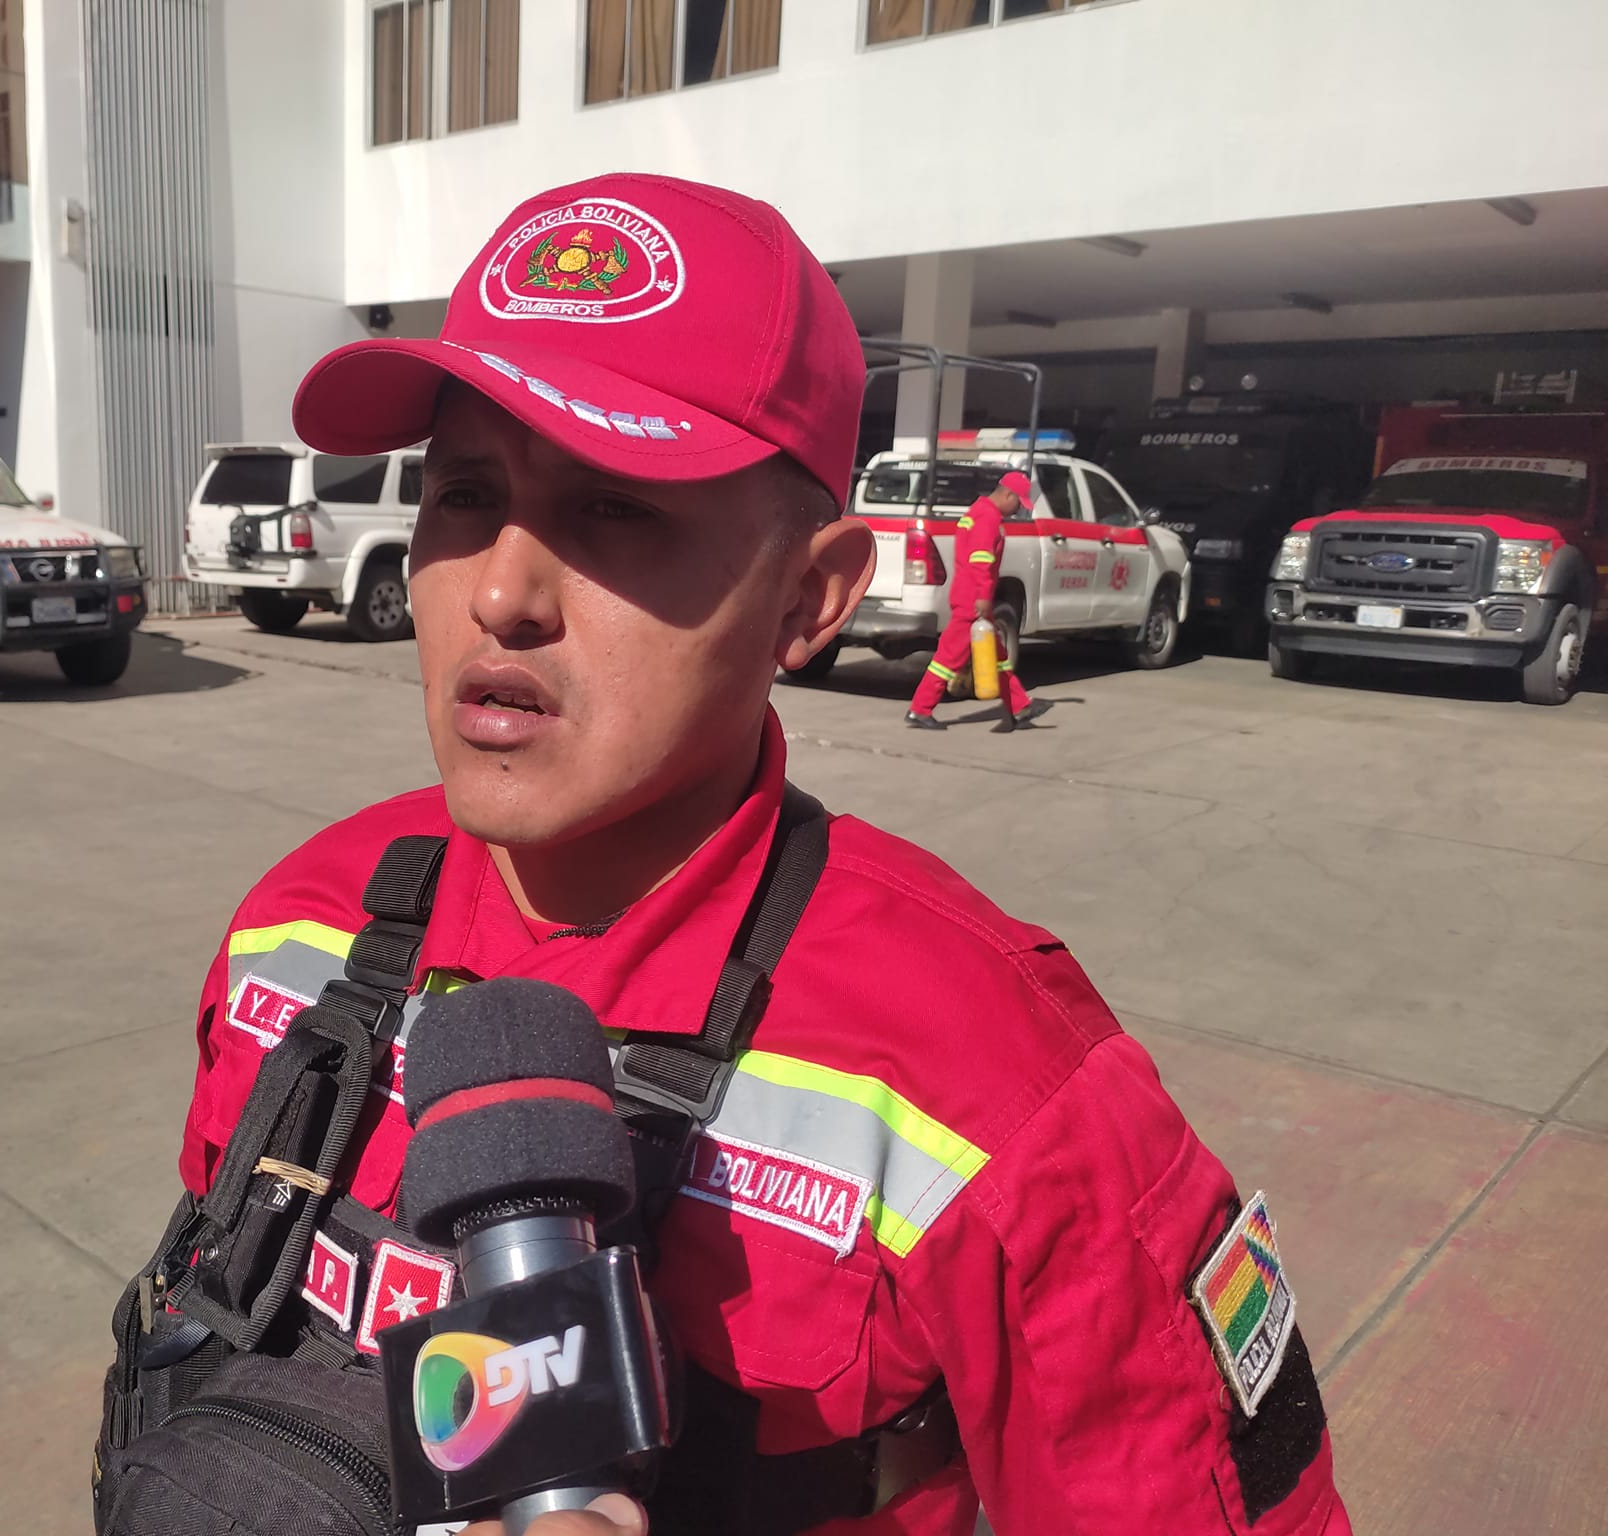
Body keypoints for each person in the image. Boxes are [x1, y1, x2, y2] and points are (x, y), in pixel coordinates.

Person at [168, 173, 1350, 1534]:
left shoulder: (1001, 1088)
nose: (498, 591)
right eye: (464, 493)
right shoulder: (296, 923)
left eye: (614, 510)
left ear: (810, 594)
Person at [903, 471, 1044, 732]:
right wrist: (983, 596)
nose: (1017, 510)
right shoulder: (988, 517)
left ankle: (1020, 707)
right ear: (1008, 495)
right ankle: (920, 710)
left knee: (998, 657)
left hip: (971, 597)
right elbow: (981, 560)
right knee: (948, 658)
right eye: (1018, 503)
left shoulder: (977, 511)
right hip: (973, 601)